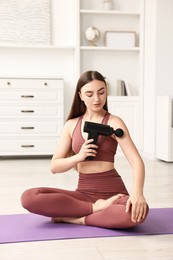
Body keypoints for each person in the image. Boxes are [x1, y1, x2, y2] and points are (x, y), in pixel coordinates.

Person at [21, 70, 149, 229]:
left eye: (101, 92)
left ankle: (78, 219)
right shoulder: (71, 125)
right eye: (89, 94)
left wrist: (138, 194)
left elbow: (136, 161)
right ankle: (95, 210)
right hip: (83, 195)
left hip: (113, 194)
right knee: (29, 197)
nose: (97, 99)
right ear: (80, 95)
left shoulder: (115, 122)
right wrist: (78, 156)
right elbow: (54, 167)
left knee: (136, 214)